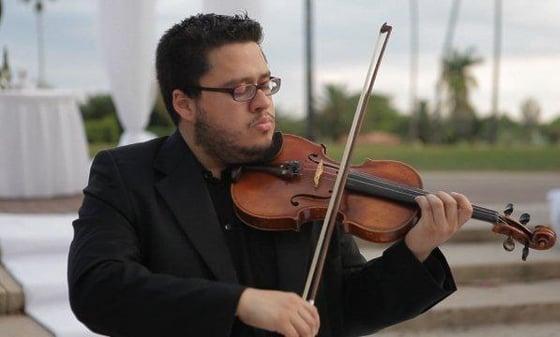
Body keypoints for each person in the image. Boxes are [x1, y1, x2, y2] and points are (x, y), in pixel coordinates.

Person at [68, 13, 473, 337]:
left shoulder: (307, 178)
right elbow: (97, 289)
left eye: (266, 84)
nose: (263, 104)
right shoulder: (125, 174)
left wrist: (415, 252)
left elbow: (346, 310)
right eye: (241, 90)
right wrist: (239, 302)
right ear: (184, 103)